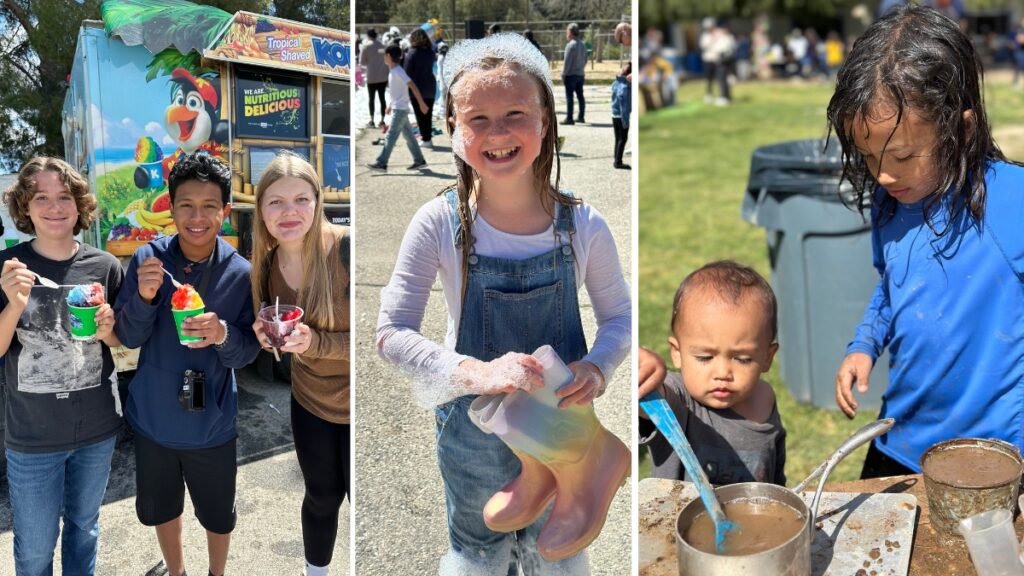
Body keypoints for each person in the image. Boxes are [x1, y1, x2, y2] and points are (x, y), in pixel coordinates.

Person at [376, 33, 630, 573]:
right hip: (472, 432)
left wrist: (598, 367)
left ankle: (598, 463)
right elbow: (391, 331)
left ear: (545, 122)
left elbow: (619, 317)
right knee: (478, 549)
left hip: (558, 430)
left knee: (554, 547)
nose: (498, 133)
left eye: (515, 112)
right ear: (452, 130)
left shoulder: (582, 226)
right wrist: (473, 371)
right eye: (477, 119)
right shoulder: (438, 223)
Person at [829, 5, 1024, 478]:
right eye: (870, 156)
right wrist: (864, 344)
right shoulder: (889, 201)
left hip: (995, 454)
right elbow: (890, 287)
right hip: (902, 439)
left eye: (900, 154)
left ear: (962, 129)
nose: (884, 173)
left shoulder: (1011, 200)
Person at [114, 152, 260, 576]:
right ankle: (175, 571)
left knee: (218, 514)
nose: (197, 217)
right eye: (186, 206)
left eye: (209, 206)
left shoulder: (241, 273)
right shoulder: (149, 260)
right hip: (154, 418)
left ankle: (217, 573)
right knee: (162, 507)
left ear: (225, 212)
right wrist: (143, 299)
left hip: (211, 423)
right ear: (171, 209)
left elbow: (248, 351)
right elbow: (129, 337)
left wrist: (223, 335)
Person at [1, 157, 123, 575]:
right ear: (25, 207)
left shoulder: (105, 266)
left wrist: (109, 332)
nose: (55, 207)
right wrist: (14, 306)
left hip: (96, 430)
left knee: (84, 531)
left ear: (79, 204)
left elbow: (121, 344)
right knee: (34, 550)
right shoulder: (7, 268)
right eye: (41, 198)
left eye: (64, 197)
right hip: (32, 437)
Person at [250, 153, 350, 576]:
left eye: (300, 200)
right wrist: (264, 337)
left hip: (355, 403)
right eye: (275, 202)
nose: (288, 212)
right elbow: (271, 335)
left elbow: (383, 340)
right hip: (309, 401)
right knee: (321, 497)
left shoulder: (347, 248)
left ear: (317, 201)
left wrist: (316, 341)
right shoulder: (268, 265)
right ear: (261, 211)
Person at [638, 261, 786, 485]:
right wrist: (644, 377)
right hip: (674, 518)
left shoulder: (764, 397)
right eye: (704, 358)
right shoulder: (678, 398)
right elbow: (648, 402)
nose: (723, 373)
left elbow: (774, 471)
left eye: (743, 359)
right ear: (677, 353)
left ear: (767, 357)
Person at [366, 44, 429, 172]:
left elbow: (412, 85)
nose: (384, 57)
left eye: (385, 55)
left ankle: (381, 163)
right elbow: (398, 91)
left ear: (389, 56)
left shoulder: (398, 71)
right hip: (399, 108)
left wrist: (421, 103)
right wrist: (390, 105)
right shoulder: (394, 71)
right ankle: (419, 160)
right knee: (410, 137)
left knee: (390, 136)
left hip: (400, 110)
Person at [404, 28, 438, 150]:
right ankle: (427, 137)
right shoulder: (430, 52)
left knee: (420, 115)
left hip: (417, 88)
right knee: (427, 114)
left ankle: (426, 139)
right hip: (430, 85)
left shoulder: (411, 53)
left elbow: (406, 73)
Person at [360, 28, 389, 128]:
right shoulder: (383, 46)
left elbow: (362, 62)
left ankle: (372, 120)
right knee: (382, 98)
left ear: (368, 35)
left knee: (371, 99)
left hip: (371, 77)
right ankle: (382, 120)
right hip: (383, 76)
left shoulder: (366, 47)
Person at [562, 23, 587, 125]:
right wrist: (581, 68)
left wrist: (564, 74)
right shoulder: (583, 44)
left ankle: (569, 117)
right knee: (580, 96)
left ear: (571, 33)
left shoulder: (570, 45)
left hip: (571, 75)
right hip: (580, 74)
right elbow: (585, 59)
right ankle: (581, 116)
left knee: (569, 97)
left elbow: (567, 61)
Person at [611, 63, 631, 170]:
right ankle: (618, 161)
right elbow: (624, 104)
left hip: (614, 114)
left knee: (618, 138)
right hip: (621, 116)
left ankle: (616, 159)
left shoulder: (616, 82)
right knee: (623, 138)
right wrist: (625, 120)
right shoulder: (625, 86)